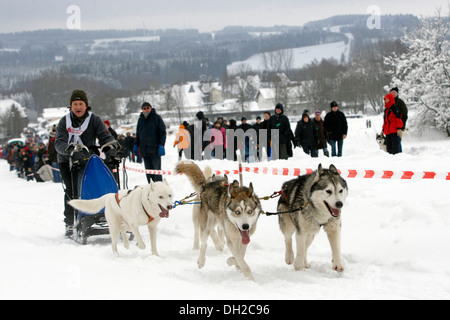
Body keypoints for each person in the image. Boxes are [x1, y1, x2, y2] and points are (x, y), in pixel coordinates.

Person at [55, 89, 115, 237]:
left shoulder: (94, 120)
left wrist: (112, 148)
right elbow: (59, 143)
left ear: (86, 105)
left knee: (93, 186)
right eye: (75, 104)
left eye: (80, 103)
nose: (78, 107)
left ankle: (100, 213)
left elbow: (105, 136)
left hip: (87, 160)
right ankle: (70, 222)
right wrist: (69, 150)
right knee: (71, 190)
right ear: (71, 106)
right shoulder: (64, 121)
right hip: (67, 160)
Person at [134, 102, 166, 183]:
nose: (146, 109)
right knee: (149, 173)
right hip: (145, 151)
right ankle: (151, 189)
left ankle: (159, 189)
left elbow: (162, 132)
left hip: (155, 150)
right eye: (144, 108)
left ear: (151, 108)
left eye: (148, 108)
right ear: (142, 110)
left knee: (157, 172)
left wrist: (161, 145)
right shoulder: (140, 120)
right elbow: (138, 133)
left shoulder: (157, 118)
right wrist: (136, 144)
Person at [390, 87, 408, 152]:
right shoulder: (388, 102)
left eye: (394, 92)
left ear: (397, 94)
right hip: (389, 128)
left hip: (398, 126)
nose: (393, 94)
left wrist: (402, 126)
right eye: (391, 92)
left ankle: (399, 157)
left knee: (397, 142)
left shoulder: (400, 102)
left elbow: (404, 114)